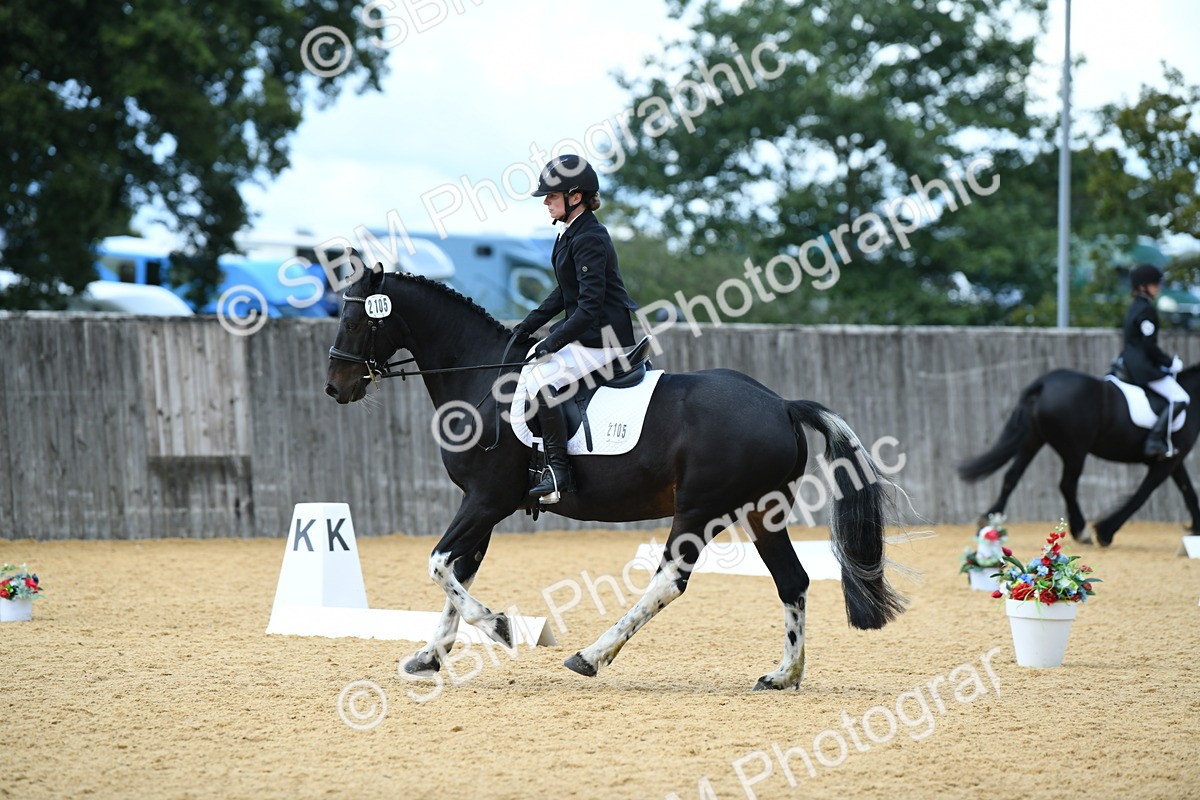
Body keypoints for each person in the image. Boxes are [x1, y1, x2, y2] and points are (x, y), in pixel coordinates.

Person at [511, 154, 639, 503]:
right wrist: (529, 325)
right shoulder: (569, 234)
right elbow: (565, 291)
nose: (546, 202)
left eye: (552, 196)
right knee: (532, 366)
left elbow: (589, 306)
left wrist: (552, 341)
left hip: (605, 338)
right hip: (588, 334)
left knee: (542, 379)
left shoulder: (590, 238)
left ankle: (558, 473)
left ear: (576, 197)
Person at [1120, 263, 1188, 459]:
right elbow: (1148, 345)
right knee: (1181, 398)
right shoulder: (1146, 310)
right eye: (1153, 283)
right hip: (1142, 366)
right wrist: (1169, 362)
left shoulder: (1136, 306)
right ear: (1142, 286)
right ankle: (1154, 439)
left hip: (1129, 360)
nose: (1158, 287)